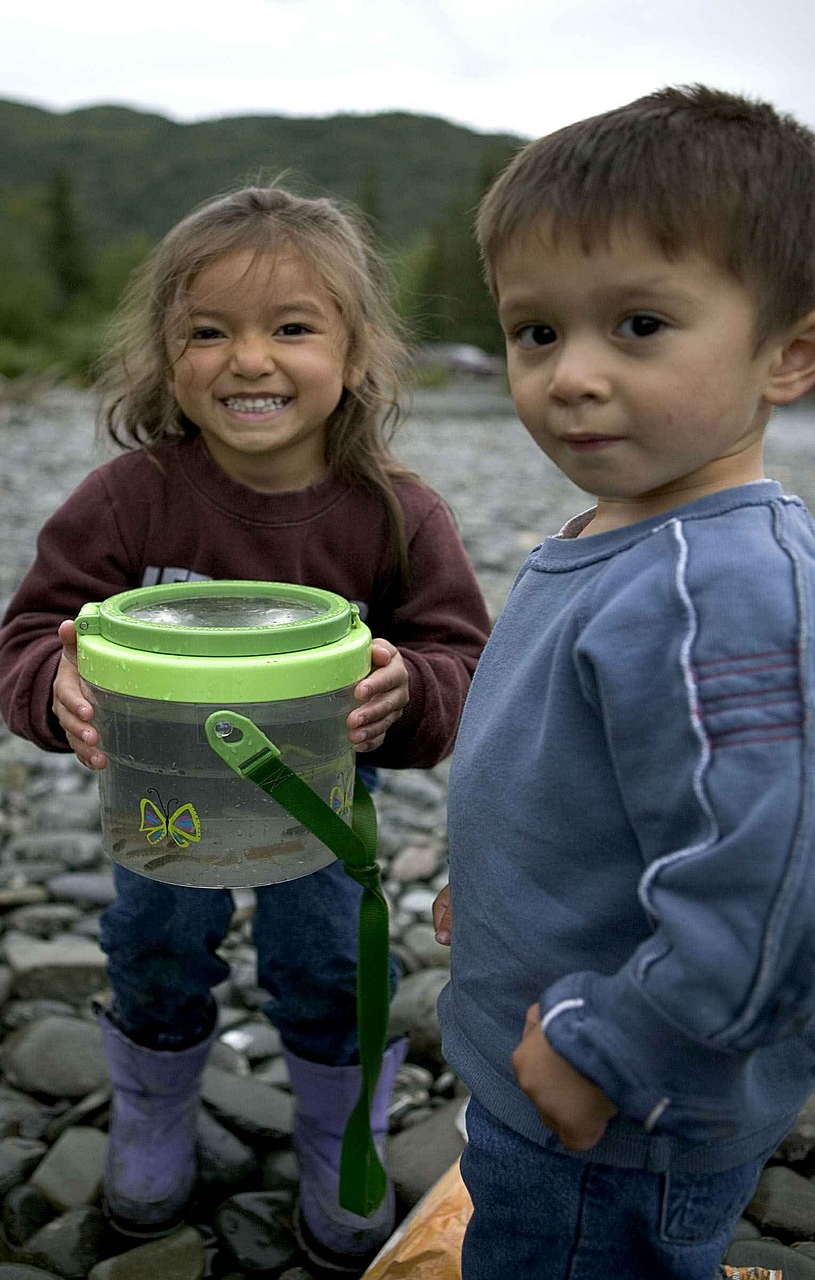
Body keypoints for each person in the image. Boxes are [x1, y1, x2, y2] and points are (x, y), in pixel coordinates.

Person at [0, 185, 490, 1272]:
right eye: (207, 331)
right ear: (167, 357)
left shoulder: (397, 515)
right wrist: (56, 683)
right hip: (160, 798)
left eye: (292, 327)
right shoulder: (131, 498)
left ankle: (332, 1128)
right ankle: (153, 1109)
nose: (248, 358)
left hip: (320, 804)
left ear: (358, 355)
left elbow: (463, 658)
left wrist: (412, 687)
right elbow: (36, 627)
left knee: (323, 964)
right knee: (154, 948)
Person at [432, 85, 815, 1280]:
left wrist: (620, 1041)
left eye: (640, 324)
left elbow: (775, 880)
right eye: (537, 332)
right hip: (563, 1075)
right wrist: (496, 893)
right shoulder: (632, 529)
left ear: (788, 351)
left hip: (615, 1119)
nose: (571, 376)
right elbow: (591, 775)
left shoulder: (723, 587)